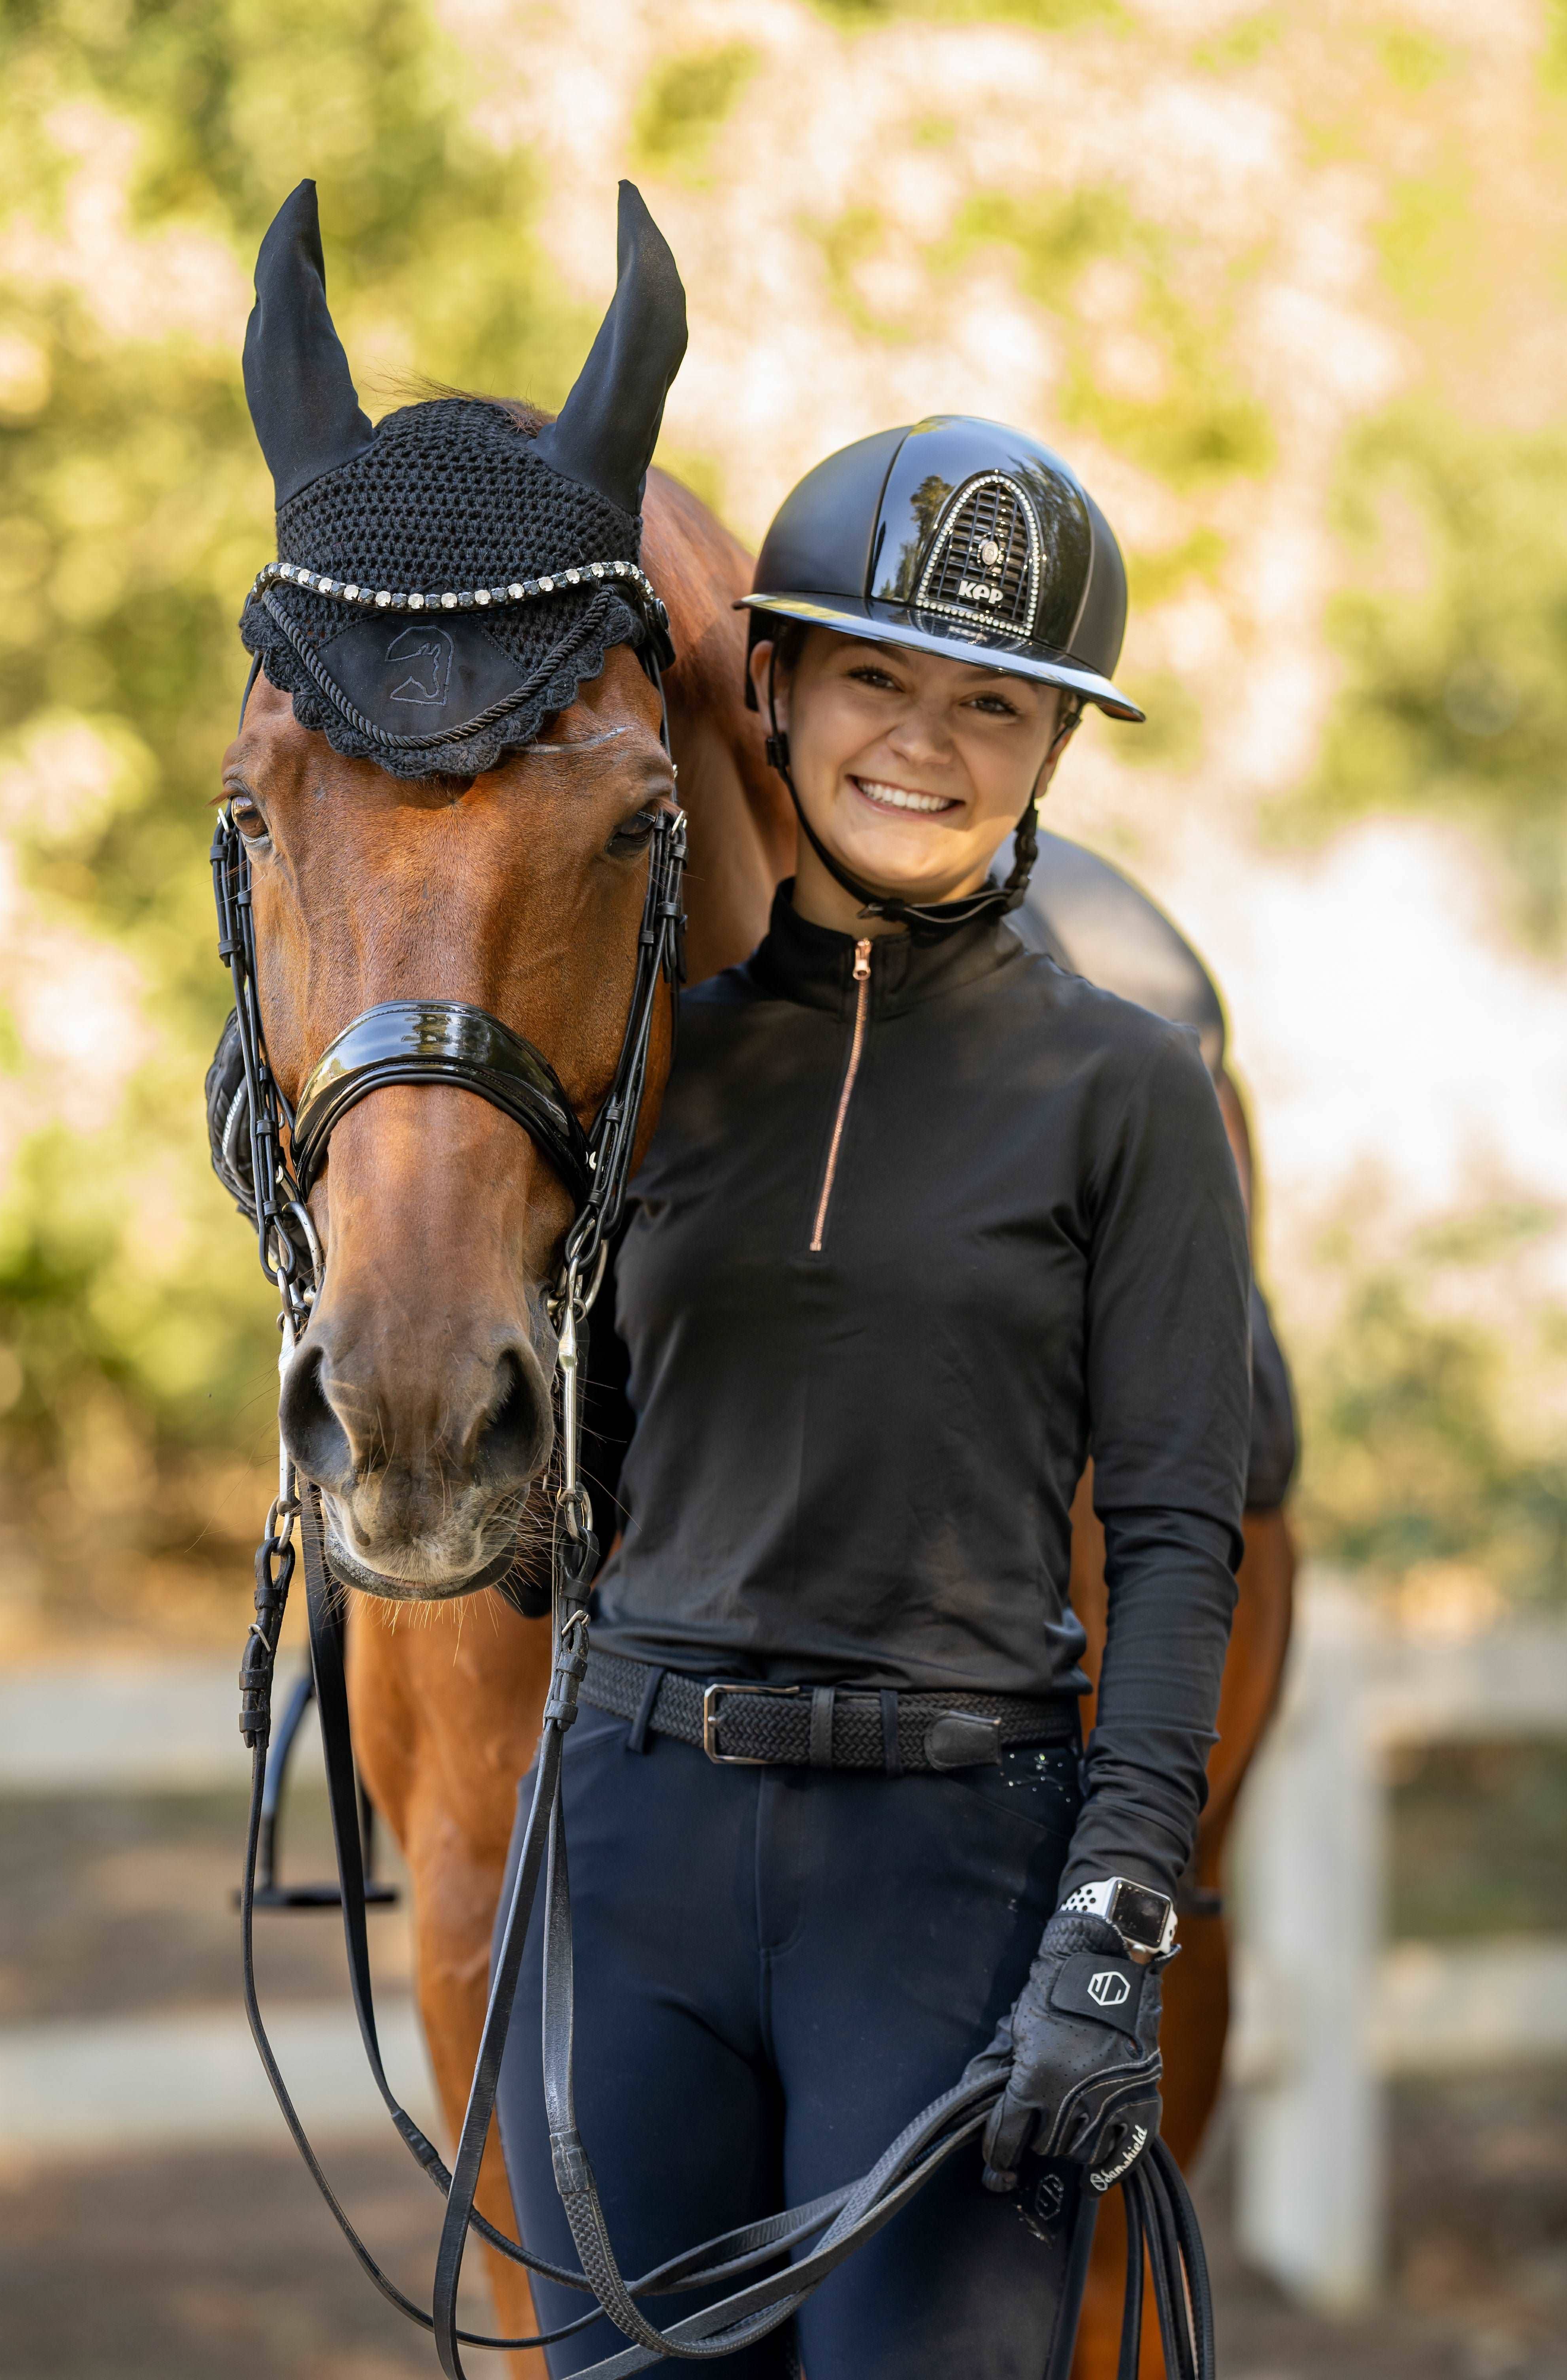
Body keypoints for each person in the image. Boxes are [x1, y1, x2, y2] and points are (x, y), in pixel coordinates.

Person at [497, 415, 1251, 2378]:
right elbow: (541, 1507)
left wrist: (1116, 1915)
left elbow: (1177, 1533)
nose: (924, 743)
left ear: (1055, 752)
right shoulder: (644, 1070)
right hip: (631, 1855)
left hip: (950, 1890)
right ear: (774, 688)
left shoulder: (1124, 1094)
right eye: (874, 679)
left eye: (994, 705)